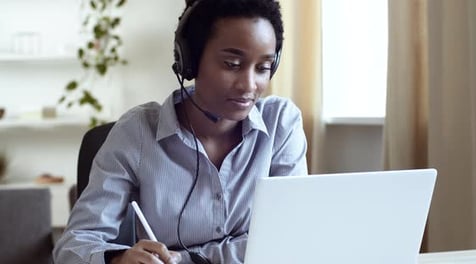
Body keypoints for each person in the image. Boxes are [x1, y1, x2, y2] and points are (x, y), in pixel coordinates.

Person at [53, 0, 308, 263]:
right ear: (190, 61)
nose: (249, 85)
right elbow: (74, 246)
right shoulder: (137, 132)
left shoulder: (280, 123)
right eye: (232, 64)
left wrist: (184, 259)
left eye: (263, 68)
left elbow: (292, 234)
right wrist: (117, 259)